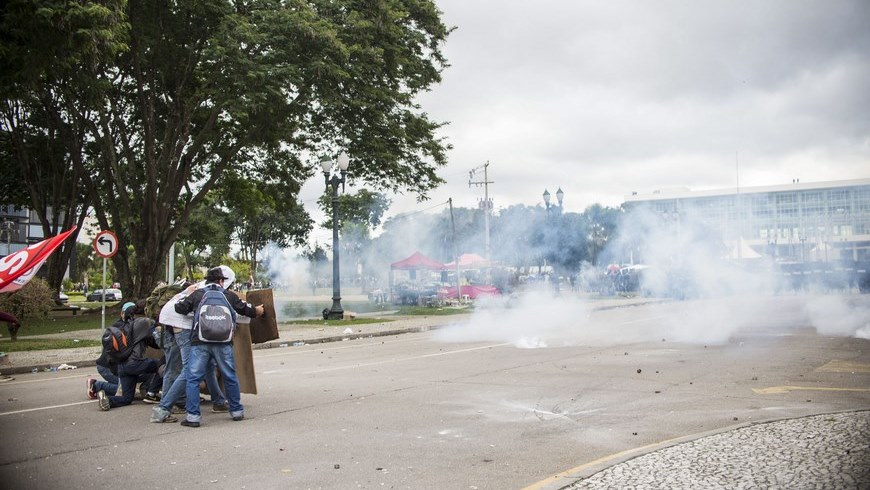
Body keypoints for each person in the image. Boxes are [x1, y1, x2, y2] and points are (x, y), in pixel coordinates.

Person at [172, 266, 263, 427]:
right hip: (223, 342)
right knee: (230, 376)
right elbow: (245, 309)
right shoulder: (228, 295)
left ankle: (193, 417)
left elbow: (179, 308)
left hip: (200, 341)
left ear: (207, 281)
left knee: (193, 378)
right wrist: (257, 311)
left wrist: (187, 295)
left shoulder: (198, 294)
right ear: (221, 281)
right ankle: (236, 411)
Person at [150, 277, 229, 423]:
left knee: (206, 366)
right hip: (183, 327)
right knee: (188, 370)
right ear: (220, 281)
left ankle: (218, 401)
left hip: (173, 324)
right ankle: (163, 409)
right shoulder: (209, 292)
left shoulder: (198, 288)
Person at [96, 302, 163, 411]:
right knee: (161, 365)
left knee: (127, 398)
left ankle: (107, 399)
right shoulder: (144, 322)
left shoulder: (124, 324)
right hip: (136, 362)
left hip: (123, 365)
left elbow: (148, 342)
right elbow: (157, 335)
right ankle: (150, 392)